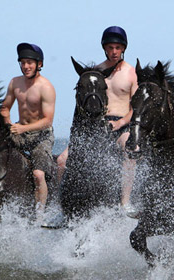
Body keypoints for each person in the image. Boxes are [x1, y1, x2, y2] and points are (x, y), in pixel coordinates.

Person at [57, 26, 138, 217]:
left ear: (123, 48)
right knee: (61, 160)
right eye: (110, 47)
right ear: (104, 48)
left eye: (118, 47)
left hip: (122, 125)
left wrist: (120, 123)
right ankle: (60, 207)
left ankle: (125, 202)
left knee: (130, 149)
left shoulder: (131, 73)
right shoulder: (97, 72)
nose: (114, 51)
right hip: (97, 124)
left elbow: (136, 108)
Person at [0, 42, 56, 217]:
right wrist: (9, 125)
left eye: (30, 62)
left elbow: (47, 121)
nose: (26, 66)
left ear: (39, 64)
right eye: (23, 62)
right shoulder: (15, 83)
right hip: (18, 131)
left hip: (41, 136)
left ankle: (40, 215)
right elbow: (5, 108)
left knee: (38, 174)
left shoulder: (46, 87)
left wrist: (23, 128)